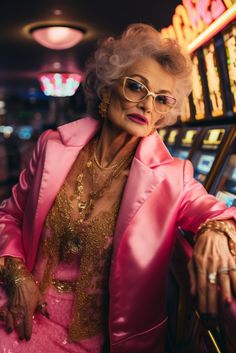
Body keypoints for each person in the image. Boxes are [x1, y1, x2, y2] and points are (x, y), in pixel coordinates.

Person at [0, 23, 235, 353]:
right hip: (17, 308)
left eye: (162, 99)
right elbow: (8, 217)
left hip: (96, 341)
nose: (147, 105)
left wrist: (217, 233)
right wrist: (18, 278)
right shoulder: (53, 146)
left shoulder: (172, 176)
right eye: (137, 87)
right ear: (109, 87)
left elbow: (222, 213)